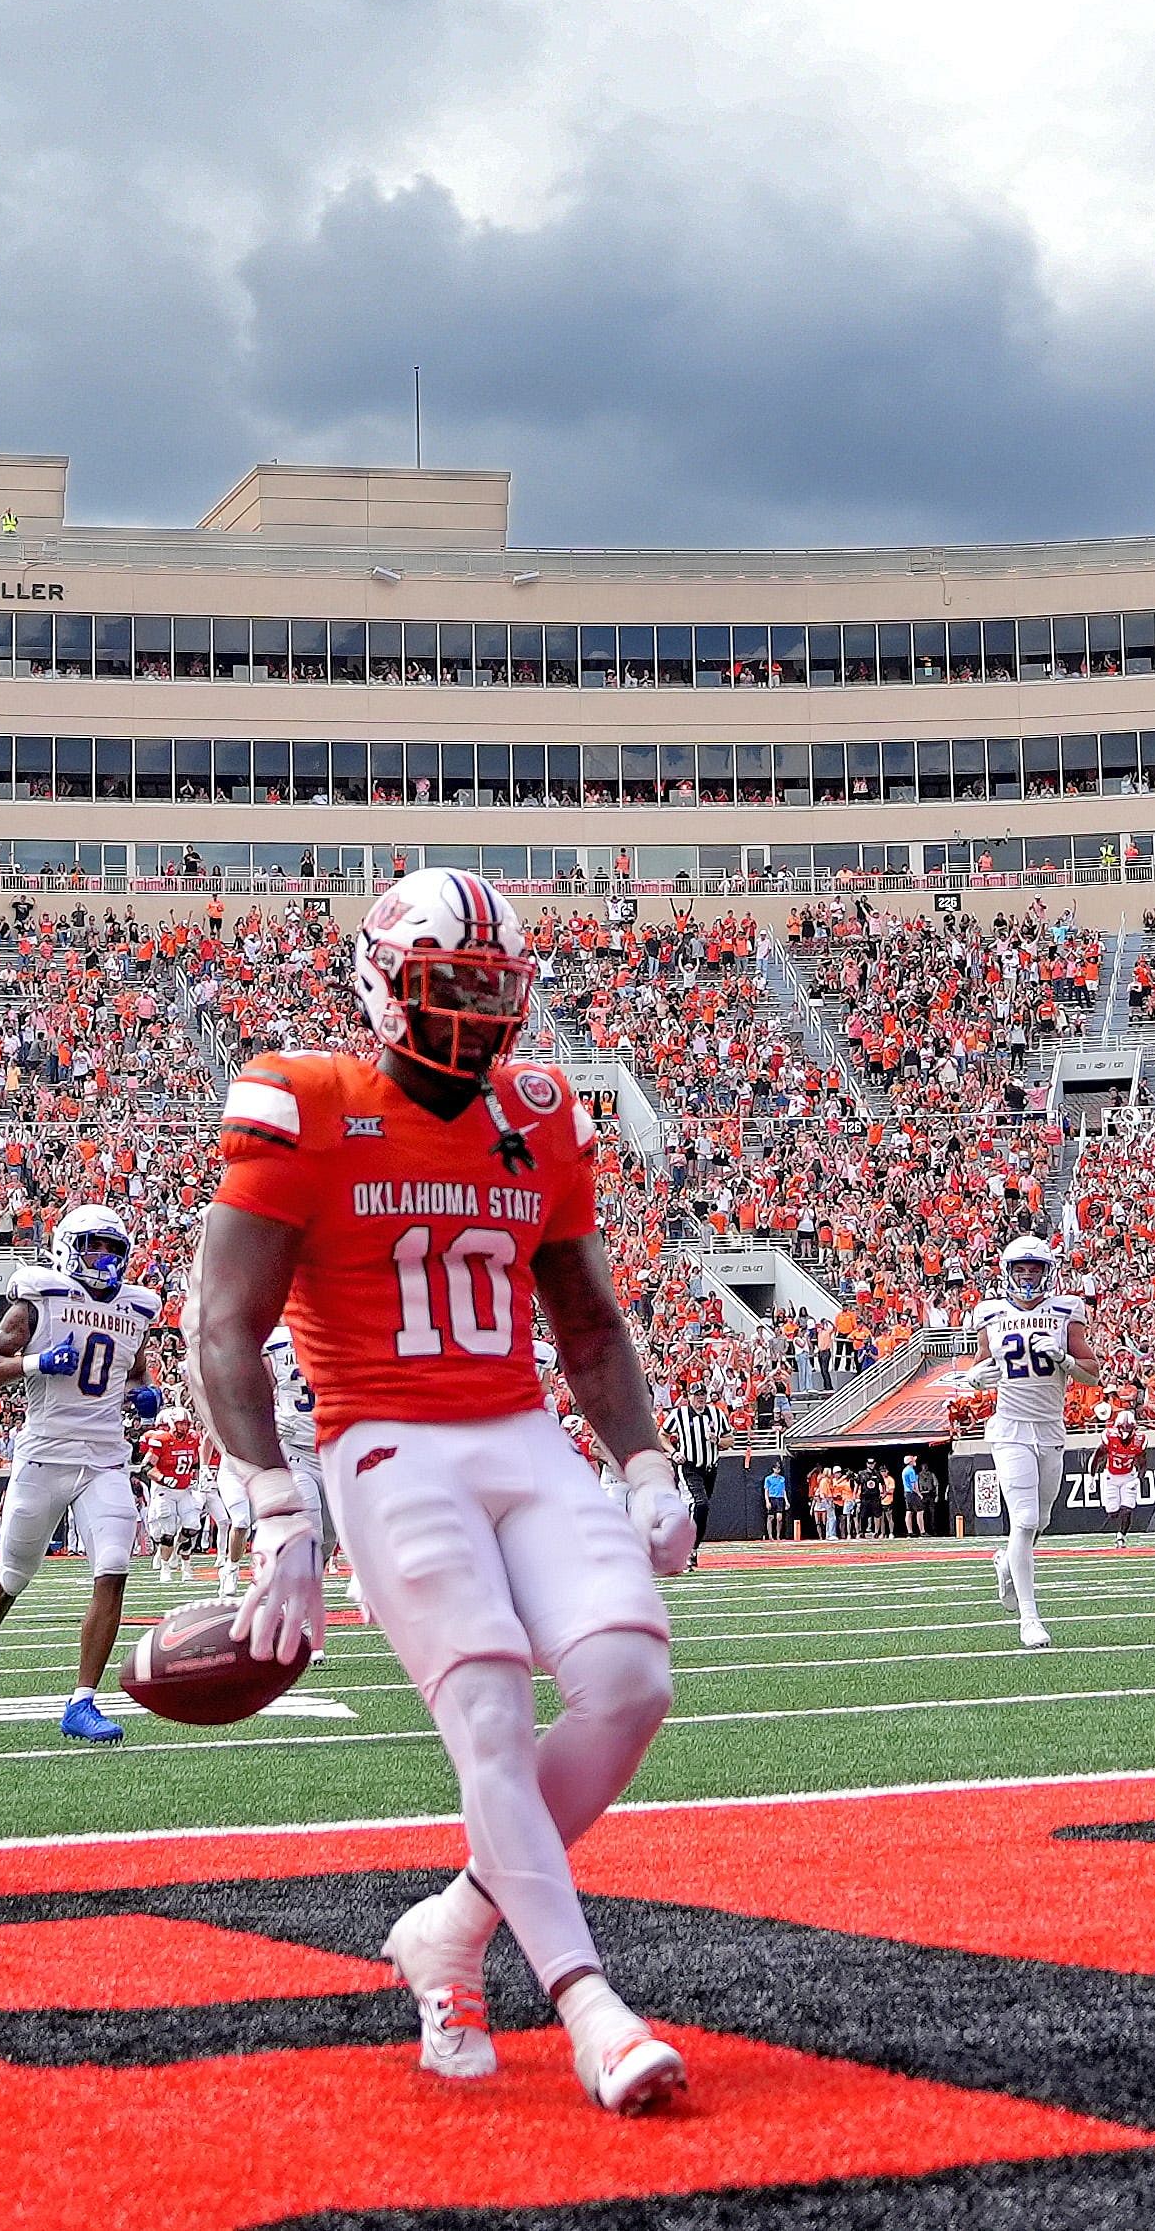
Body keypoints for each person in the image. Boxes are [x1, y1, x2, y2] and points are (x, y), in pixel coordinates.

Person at [192, 865, 696, 2119]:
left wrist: (642, 1460)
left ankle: (451, 1926)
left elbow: (584, 1320)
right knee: (482, 1712)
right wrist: (274, 1507)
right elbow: (222, 1324)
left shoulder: (537, 1105)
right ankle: (588, 2004)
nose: (473, 1010)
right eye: (446, 984)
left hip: (518, 1429)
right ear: (380, 984)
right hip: (384, 1440)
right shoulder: (301, 1096)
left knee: (631, 1681)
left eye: (490, 985)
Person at [0, 1201, 165, 1741]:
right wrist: (34, 1363)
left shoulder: (136, 1309)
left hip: (104, 1458)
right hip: (45, 1455)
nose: (105, 1258)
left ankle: (82, 1702)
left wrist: (145, 1395)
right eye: (95, 1246)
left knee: (114, 1567)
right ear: (71, 1247)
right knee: (12, 1578)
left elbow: (137, 1371)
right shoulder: (39, 1301)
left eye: (114, 1248)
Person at [969, 1235, 1079, 1650]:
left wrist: (1065, 1360)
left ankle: (1005, 1564)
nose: (1028, 1275)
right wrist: (974, 1377)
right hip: (1010, 1428)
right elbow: (980, 1366)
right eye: (1021, 1268)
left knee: (1041, 1521)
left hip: (1050, 1428)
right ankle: (1030, 1620)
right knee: (1026, 1519)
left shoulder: (1066, 1311)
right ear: (1008, 1271)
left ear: (1047, 1271)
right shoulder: (991, 1314)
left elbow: (1092, 1372)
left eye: (1035, 1268)